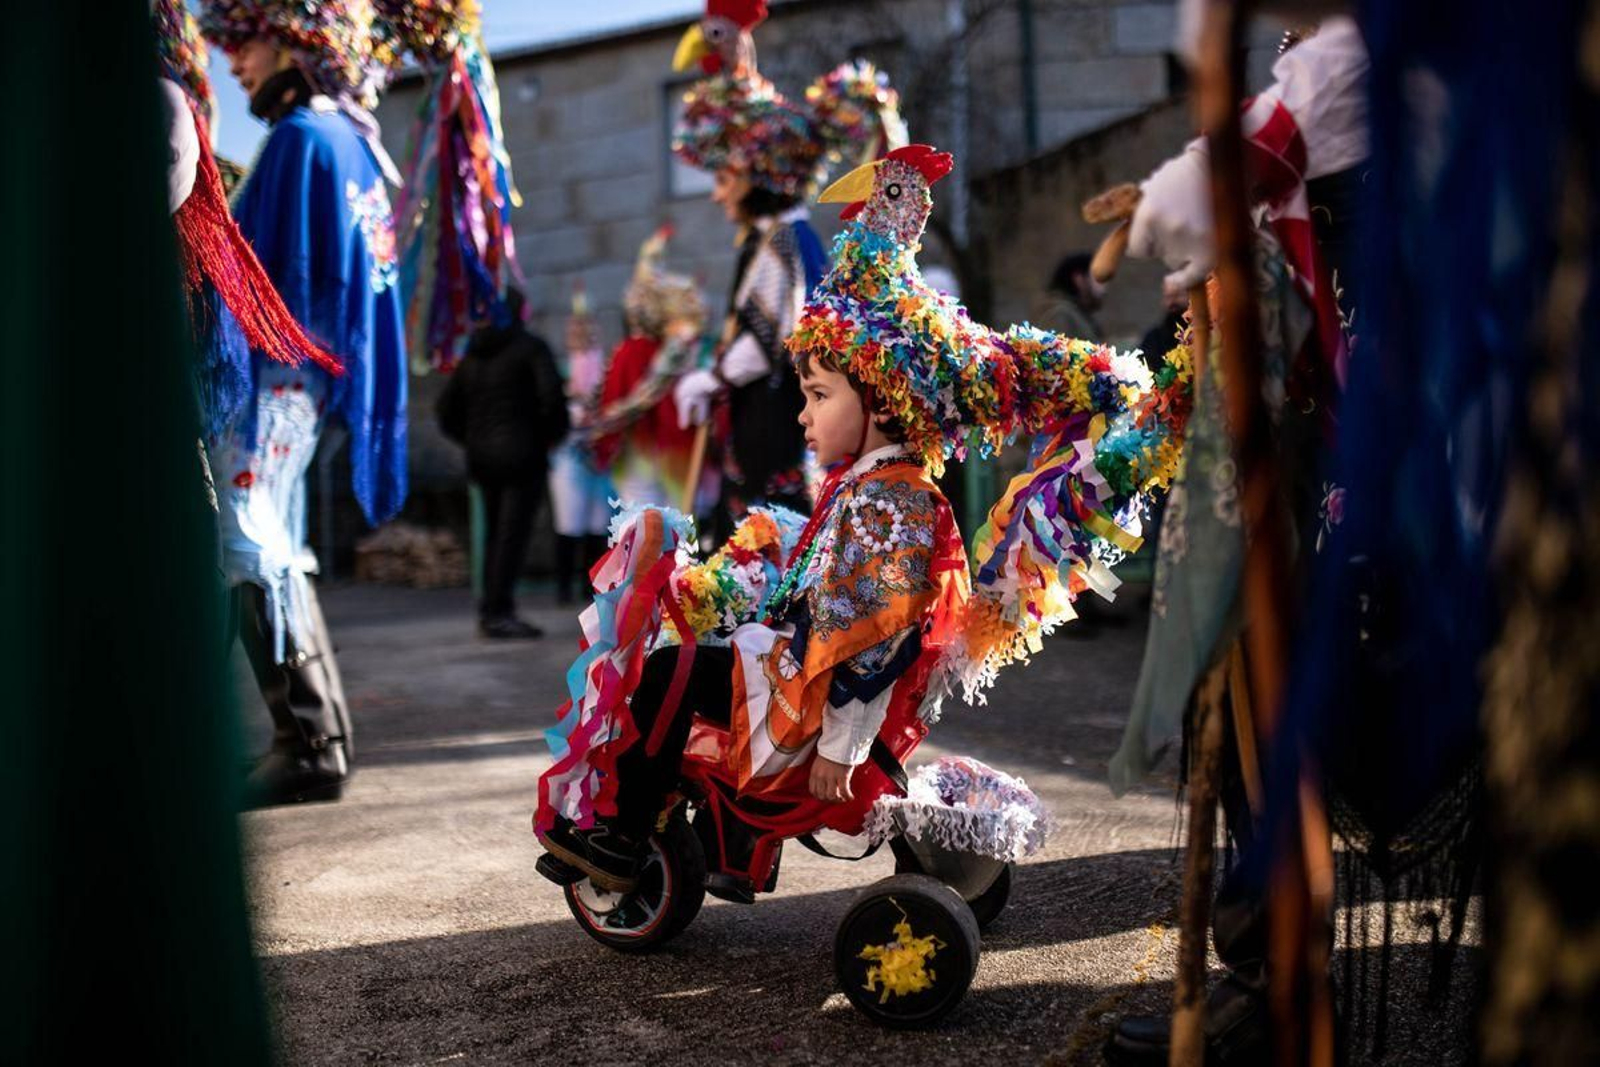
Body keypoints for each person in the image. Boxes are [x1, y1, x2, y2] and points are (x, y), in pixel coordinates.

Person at [534, 144, 1194, 895]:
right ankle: (717, 839)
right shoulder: (871, 488)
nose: (803, 413)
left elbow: (878, 637)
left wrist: (843, 748)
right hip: (793, 679)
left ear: (881, 398)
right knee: (701, 639)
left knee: (668, 669)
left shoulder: (891, 502)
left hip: (805, 710)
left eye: (819, 396)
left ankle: (620, 833)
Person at [201, 0, 408, 806]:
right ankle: (318, 739)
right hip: (307, 384)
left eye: (242, 43)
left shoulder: (299, 141)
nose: (234, 64)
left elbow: (251, 273)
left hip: (278, 379)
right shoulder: (354, 141)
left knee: (250, 537)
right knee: (269, 535)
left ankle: (308, 742)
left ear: (290, 37)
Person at [667, 0, 904, 539]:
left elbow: (771, 332)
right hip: (772, 422)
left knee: (773, 544)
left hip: (778, 424)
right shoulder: (780, 239)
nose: (718, 194)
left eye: (726, 177)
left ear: (758, 173)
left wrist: (715, 377)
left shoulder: (783, 241)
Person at [436, 287, 569, 638]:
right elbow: (553, 398)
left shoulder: (472, 356)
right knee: (511, 535)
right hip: (523, 456)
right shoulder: (530, 348)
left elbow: (445, 411)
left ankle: (491, 608)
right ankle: (498, 611)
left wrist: (472, 440)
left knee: (495, 534)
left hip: (484, 459)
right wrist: (549, 436)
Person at [587, 226, 709, 510]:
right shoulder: (679, 351)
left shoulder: (636, 351)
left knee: (646, 526)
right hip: (656, 451)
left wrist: (605, 423)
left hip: (651, 452)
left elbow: (614, 401)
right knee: (667, 527)